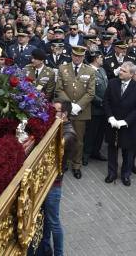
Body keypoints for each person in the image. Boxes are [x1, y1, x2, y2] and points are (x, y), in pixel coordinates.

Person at [36, 100, 77, 256]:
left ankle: (59, 253)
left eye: (56, 111)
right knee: (46, 218)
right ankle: (46, 248)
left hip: (54, 184)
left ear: (64, 114)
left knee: (53, 221)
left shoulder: (68, 134)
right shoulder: (56, 125)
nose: (52, 113)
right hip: (46, 179)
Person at [54, 46, 96, 179]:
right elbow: (59, 89)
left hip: (81, 112)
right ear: (71, 55)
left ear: (84, 57)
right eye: (75, 56)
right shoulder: (63, 68)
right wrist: (69, 105)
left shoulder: (90, 71)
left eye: (80, 56)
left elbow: (91, 92)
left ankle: (76, 165)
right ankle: (64, 162)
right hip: (65, 111)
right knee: (64, 138)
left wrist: (78, 106)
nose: (77, 58)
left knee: (78, 140)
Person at [103, 61, 136, 186]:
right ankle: (112, 173)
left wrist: (125, 121)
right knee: (112, 149)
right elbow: (106, 102)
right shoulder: (112, 83)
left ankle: (126, 175)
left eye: (124, 71)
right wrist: (110, 117)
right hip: (112, 123)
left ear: (131, 74)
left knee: (128, 151)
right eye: (121, 69)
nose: (120, 72)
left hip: (128, 126)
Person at [82, 51, 108, 164]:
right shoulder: (87, 71)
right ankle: (86, 154)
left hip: (104, 108)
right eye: (101, 57)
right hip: (93, 108)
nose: (102, 59)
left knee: (100, 133)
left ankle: (96, 151)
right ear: (95, 58)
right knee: (91, 133)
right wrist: (101, 102)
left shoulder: (102, 70)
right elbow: (88, 91)